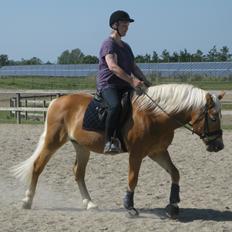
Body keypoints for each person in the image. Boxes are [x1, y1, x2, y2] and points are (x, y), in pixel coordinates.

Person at [97, 10, 151, 154]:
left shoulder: (126, 47)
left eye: (128, 25)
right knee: (115, 106)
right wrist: (132, 80)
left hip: (125, 84)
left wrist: (145, 81)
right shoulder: (108, 44)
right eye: (124, 25)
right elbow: (113, 67)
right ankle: (109, 141)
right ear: (115, 25)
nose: (127, 27)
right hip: (109, 85)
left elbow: (133, 66)